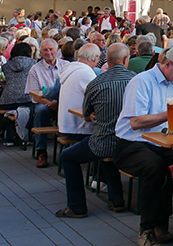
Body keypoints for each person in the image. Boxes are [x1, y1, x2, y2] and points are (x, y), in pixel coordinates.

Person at [113, 46, 173, 246]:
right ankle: (147, 228)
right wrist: (172, 114)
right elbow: (136, 122)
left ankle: (161, 220)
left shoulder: (172, 83)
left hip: (159, 141)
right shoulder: (141, 81)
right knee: (155, 167)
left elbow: (167, 122)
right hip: (131, 142)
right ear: (167, 64)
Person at [56, 43, 133, 218]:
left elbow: (86, 115)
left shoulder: (96, 82)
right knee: (107, 151)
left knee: (68, 156)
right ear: (125, 59)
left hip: (104, 142)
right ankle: (116, 198)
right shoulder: (136, 80)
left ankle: (77, 206)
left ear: (106, 60)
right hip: (130, 142)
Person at [26, 38, 70, 168]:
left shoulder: (66, 66)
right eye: (45, 50)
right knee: (40, 110)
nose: (48, 52)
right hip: (45, 105)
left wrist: (59, 102)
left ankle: (70, 150)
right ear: (40, 52)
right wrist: (50, 103)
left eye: (51, 49)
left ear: (57, 50)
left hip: (64, 103)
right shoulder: (35, 69)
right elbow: (34, 94)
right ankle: (41, 151)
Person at [57, 43, 100, 144]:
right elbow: (98, 98)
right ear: (95, 58)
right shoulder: (86, 72)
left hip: (66, 125)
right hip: (79, 128)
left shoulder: (70, 69)